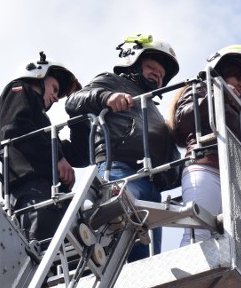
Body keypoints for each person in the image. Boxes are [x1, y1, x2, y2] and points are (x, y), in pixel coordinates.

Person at [65, 34, 180, 261]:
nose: (158, 75)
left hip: (152, 184)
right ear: (133, 61)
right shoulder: (111, 81)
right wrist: (107, 97)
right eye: (152, 67)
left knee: (144, 260)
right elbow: (74, 101)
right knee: (115, 214)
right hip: (119, 168)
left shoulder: (151, 108)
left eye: (162, 74)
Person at [169, 45, 241, 246]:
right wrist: (219, 96)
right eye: (238, 78)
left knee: (224, 243)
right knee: (198, 233)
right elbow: (185, 119)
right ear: (222, 73)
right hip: (205, 167)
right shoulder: (200, 90)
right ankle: (191, 276)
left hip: (234, 180)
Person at [0, 52, 83, 244]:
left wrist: (79, 106)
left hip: (51, 195)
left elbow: (77, 154)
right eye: (55, 88)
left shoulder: (44, 128)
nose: (57, 98)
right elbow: (15, 128)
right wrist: (57, 158)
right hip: (34, 193)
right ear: (38, 75)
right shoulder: (18, 89)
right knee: (42, 250)